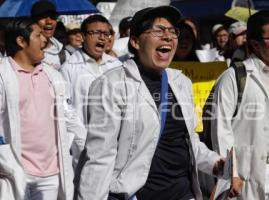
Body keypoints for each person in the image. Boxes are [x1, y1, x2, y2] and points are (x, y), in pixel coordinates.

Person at [74, 6, 241, 200]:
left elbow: (188, 141)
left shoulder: (181, 82)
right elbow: (99, 157)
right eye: (158, 31)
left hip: (182, 193)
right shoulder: (110, 85)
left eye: (172, 31)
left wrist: (215, 163)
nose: (168, 37)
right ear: (135, 42)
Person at [211, 10, 269, 200]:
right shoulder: (233, 77)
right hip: (248, 173)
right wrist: (231, 173)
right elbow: (221, 129)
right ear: (255, 44)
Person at [1, 17, 84, 200]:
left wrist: (86, 149)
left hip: (52, 175)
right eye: (38, 35)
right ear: (21, 41)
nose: (45, 40)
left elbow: (69, 117)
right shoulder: (3, 75)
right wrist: (5, 162)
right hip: (13, 172)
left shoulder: (52, 76)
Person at [61, 15, 122, 166]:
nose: (102, 38)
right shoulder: (69, 68)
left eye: (106, 34)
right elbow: (66, 110)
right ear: (83, 36)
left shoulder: (116, 65)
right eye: (96, 33)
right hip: (84, 144)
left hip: (114, 144)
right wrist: (83, 141)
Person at [31, 0, 70, 70]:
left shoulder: (64, 55)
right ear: (33, 21)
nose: (49, 21)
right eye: (43, 16)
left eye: (53, 17)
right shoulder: (22, 51)